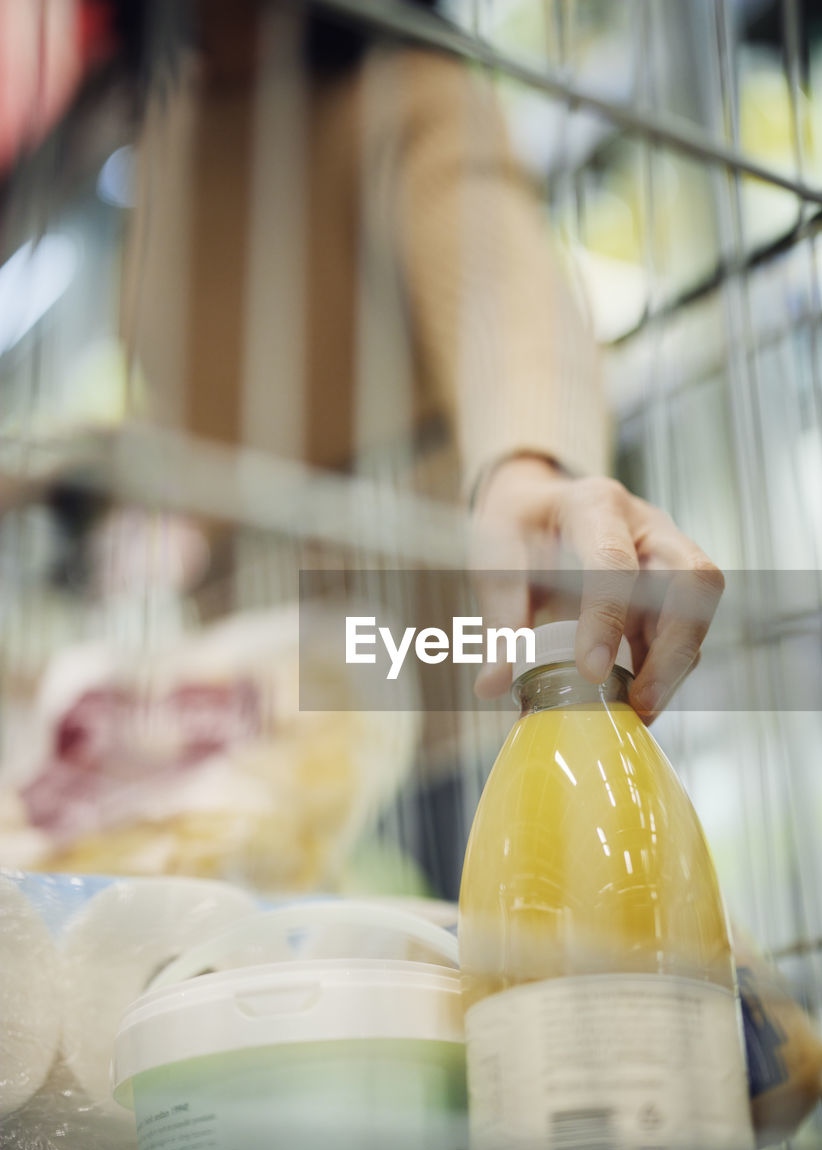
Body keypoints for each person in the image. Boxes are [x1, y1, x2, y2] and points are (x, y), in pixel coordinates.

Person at [3, 0, 724, 721]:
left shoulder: (405, 89)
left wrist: (530, 465)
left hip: (443, 686)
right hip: (268, 709)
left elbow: (502, 293)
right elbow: (210, 418)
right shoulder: (161, 141)